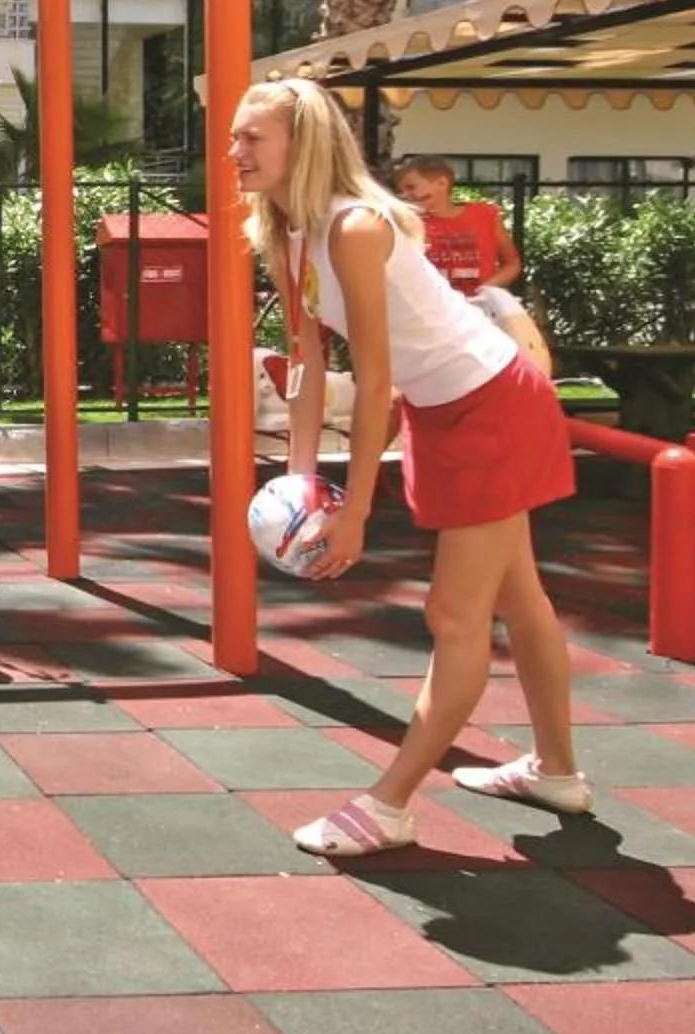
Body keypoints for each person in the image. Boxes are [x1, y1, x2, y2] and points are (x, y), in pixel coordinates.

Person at [235, 80, 589, 857]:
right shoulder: (287, 233)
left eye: (253, 138)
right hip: (448, 409)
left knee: (455, 618)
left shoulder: (356, 229)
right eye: (236, 138)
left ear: (305, 144)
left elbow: (373, 382)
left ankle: (390, 805)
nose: (236, 153)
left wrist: (356, 509)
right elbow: (305, 362)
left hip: (494, 405)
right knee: (519, 596)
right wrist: (302, 484)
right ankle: (556, 770)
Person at [393, 154, 555, 376]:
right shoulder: (408, 222)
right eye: (403, 190)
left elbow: (512, 262)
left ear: (442, 183)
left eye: (412, 187)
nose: (406, 195)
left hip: (481, 313)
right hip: (434, 314)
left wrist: (487, 288)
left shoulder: (484, 215)